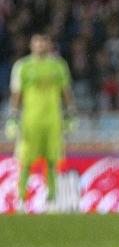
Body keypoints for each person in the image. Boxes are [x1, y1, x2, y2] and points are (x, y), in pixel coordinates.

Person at [5, 33, 77, 213]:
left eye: (44, 42)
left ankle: (52, 200)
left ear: (49, 44)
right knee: (25, 160)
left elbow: (66, 91)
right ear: (31, 45)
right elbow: (16, 93)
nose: (40, 45)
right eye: (37, 42)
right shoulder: (22, 66)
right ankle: (21, 200)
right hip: (30, 120)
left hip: (53, 120)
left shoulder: (58, 66)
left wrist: (71, 113)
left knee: (53, 160)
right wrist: (13, 117)